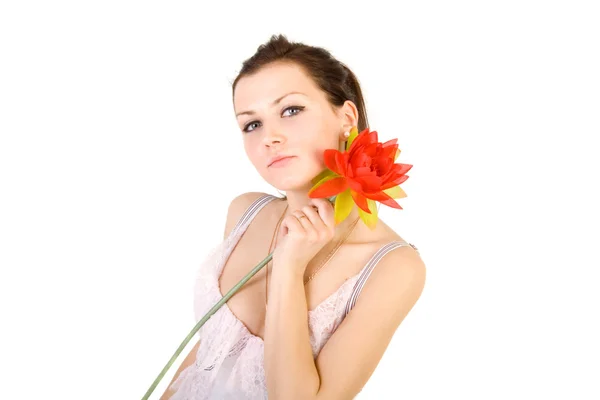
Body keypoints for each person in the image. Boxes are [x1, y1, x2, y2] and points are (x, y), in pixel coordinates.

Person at [161, 34, 426, 399]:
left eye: (290, 110)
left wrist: (288, 267)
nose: (270, 137)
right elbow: (205, 357)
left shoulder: (394, 267)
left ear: (346, 117)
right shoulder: (245, 213)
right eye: (251, 124)